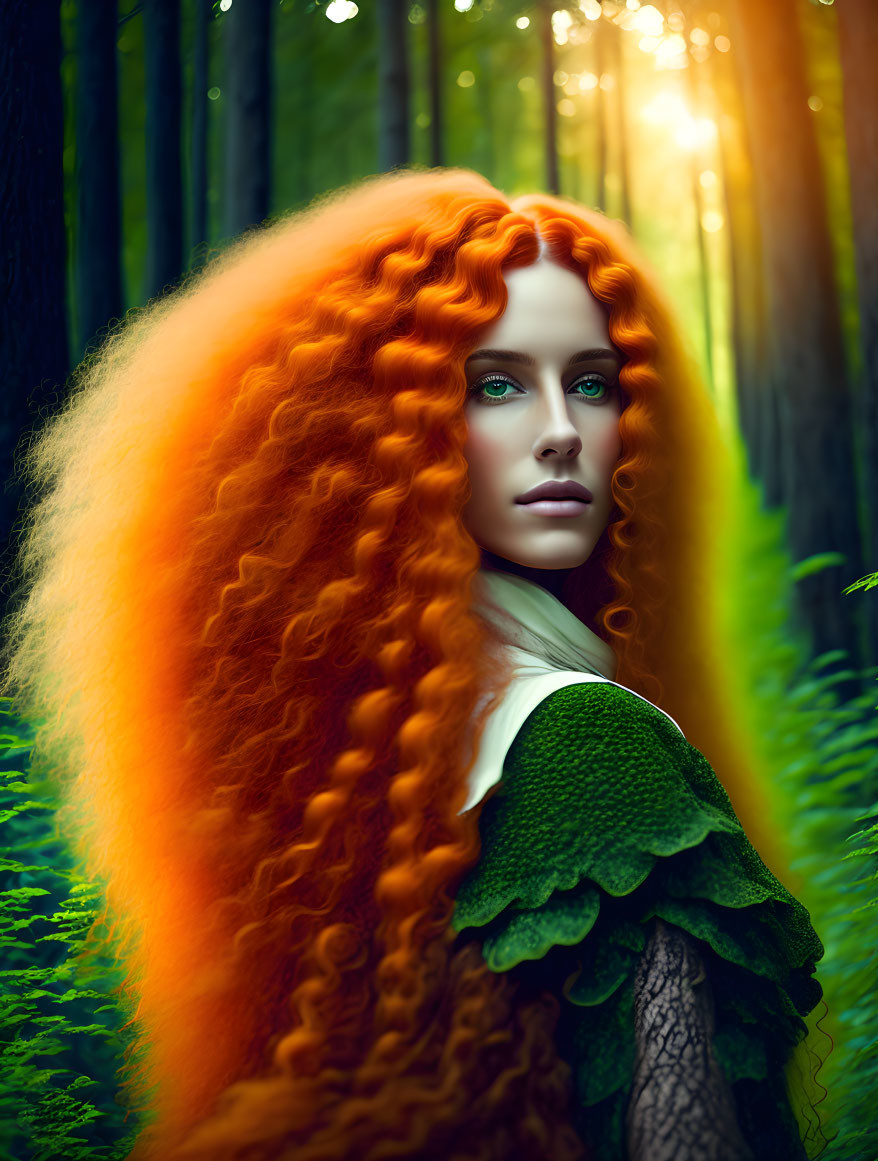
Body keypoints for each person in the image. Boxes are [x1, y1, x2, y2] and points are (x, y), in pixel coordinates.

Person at [0, 168, 829, 1161]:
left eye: (595, 383)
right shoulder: (591, 741)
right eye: (499, 384)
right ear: (382, 429)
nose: (563, 432)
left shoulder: (363, 771)